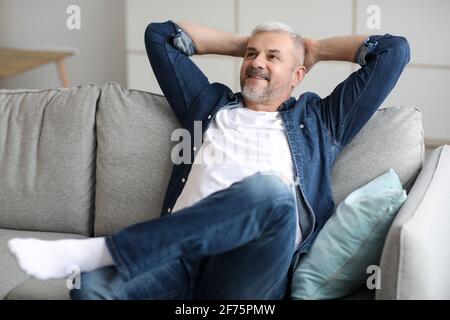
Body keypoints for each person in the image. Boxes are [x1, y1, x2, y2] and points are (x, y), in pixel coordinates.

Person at [7, 20, 410, 300]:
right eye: (251, 55)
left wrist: (315, 48)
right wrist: (245, 42)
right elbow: (160, 36)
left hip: (250, 271)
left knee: (269, 192)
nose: (257, 62)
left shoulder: (320, 121)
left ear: (298, 74)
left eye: (273, 57)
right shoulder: (209, 104)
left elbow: (393, 52)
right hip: (178, 262)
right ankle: (107, 259)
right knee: (90, 288)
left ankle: (108, 250)